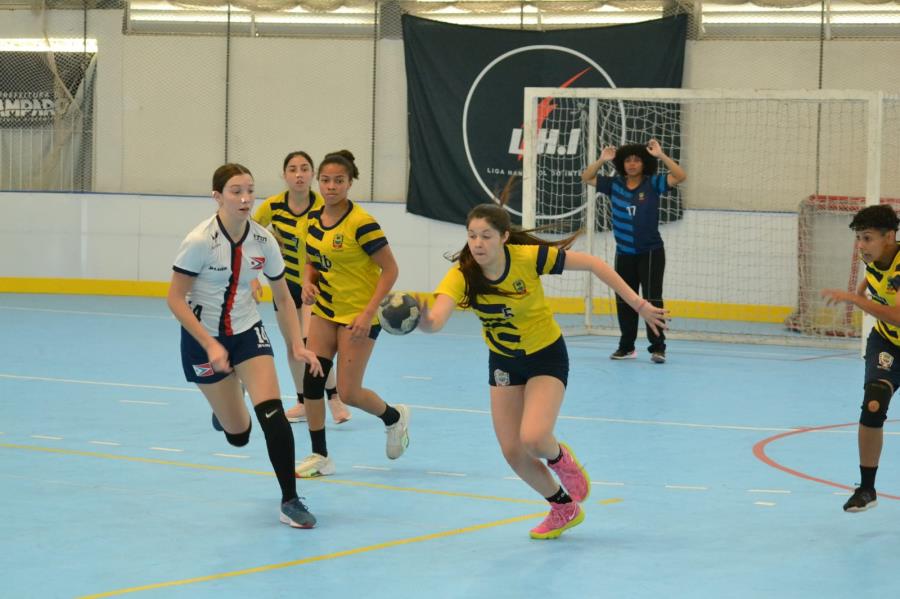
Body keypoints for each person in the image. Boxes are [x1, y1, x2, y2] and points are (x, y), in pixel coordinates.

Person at [416, 202, 668, 539]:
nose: (477, 243)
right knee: (512, 452)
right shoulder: (462, 275)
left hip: (546, 354)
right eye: (472, 235)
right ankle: (563, 507)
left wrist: (639, 304)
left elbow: (593, 264)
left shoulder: (527, 258)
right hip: (504, 362)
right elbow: (436, 321)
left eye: (486, 236)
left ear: (504, 237)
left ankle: (561, 459)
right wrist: (420, 320)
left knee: (534, 438)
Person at [167, 163, 321, 529]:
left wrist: (297, 346)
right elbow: (174, 299)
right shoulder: (200, 241)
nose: (246, 198)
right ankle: (227, 411)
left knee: (273, 415)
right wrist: (209, 344)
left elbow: (284, 299)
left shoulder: (264, 241)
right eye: (236, 191)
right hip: (202, 341)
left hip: (247, 332)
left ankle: (290, 500)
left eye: (250, 190)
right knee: (239, 435)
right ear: (218, 196)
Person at [295, 149, 410, 478]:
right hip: (326, 310)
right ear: (320, 182)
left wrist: (368, 312)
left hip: (359, 316)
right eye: (326, 180)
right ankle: (320, 455)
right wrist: (307, 282)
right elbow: (312, 260)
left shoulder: (362, 224)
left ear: (350, 183)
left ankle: (394, 418)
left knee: (349, 392)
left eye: (339, 181)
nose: (331, 187)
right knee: (312, 380)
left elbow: (390, 270)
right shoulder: (314, 220)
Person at [253, 151, 351, 425]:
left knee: (310, 342)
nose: (299, 174)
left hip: (314, 283)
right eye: (293, 169)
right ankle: (302, 401)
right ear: (284, 175)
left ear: (312, 175)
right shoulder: (272, 207)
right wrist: (252, 275)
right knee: (293, 344)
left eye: (305, 169)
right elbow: (248, 235)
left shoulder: (323, 206)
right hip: (283, 285)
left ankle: (333, 397)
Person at [821, 204, 900, 513]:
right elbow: (874, 278)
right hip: (888, 343)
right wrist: (861, 288)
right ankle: (867, 489)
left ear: (889, 236)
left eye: (867, 238)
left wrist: (854, 299)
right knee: (874, 402)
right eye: (859, 238)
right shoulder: (875, 257)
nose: (861, 246)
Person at [581, 139, 686, 363]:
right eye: (627, 160)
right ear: (621, 164)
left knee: (652, 300)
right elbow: (587, 177)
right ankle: (626, 347)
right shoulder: (613, 184)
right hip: (624, 253)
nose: (632, 164)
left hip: (651, 252)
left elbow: (680, 176)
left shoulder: (653, 184)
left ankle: (658, 348)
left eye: (637, 160)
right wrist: (601, 159)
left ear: (644, 163)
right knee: (625, 299)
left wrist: (661, 155)